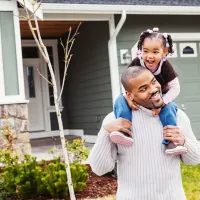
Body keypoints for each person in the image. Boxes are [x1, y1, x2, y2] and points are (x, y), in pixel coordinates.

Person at [88, 66, 200, 200]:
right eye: (143, 89)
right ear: (129, 95)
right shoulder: (114, 120)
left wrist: (183, 142)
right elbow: (99, 169)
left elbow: (195, 160)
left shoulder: (177, 116)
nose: (153, 89)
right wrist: (106, 133)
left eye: (153, 82)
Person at [110, 27, 186, 155]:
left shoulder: (166, 66)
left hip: (161, 96)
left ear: (164, 52)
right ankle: (124, 132)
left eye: (155, 52)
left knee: (170, 108)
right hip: (139, 96)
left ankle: (170, 142)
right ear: (140, 50)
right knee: (120, 100)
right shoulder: (136, 62)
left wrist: (162, 103)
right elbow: (126, 81)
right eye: (145, 51)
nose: (149, 56)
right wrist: (128, 97)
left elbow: (175, 88)